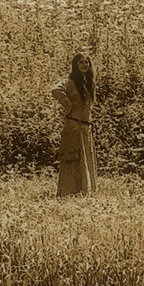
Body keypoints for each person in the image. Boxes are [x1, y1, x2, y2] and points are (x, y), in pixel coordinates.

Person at [52, 53, 98, 196]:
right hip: (73, 126)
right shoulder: (69, 81)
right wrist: (68, 105)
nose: (84, 65)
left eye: (86, 62)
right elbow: (55, 90)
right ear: (75, 65)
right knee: (73, 158)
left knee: (86, 158)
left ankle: (85, 190)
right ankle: (67, 191)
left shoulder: (89, 82)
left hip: (85, 127)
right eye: (81, 62)